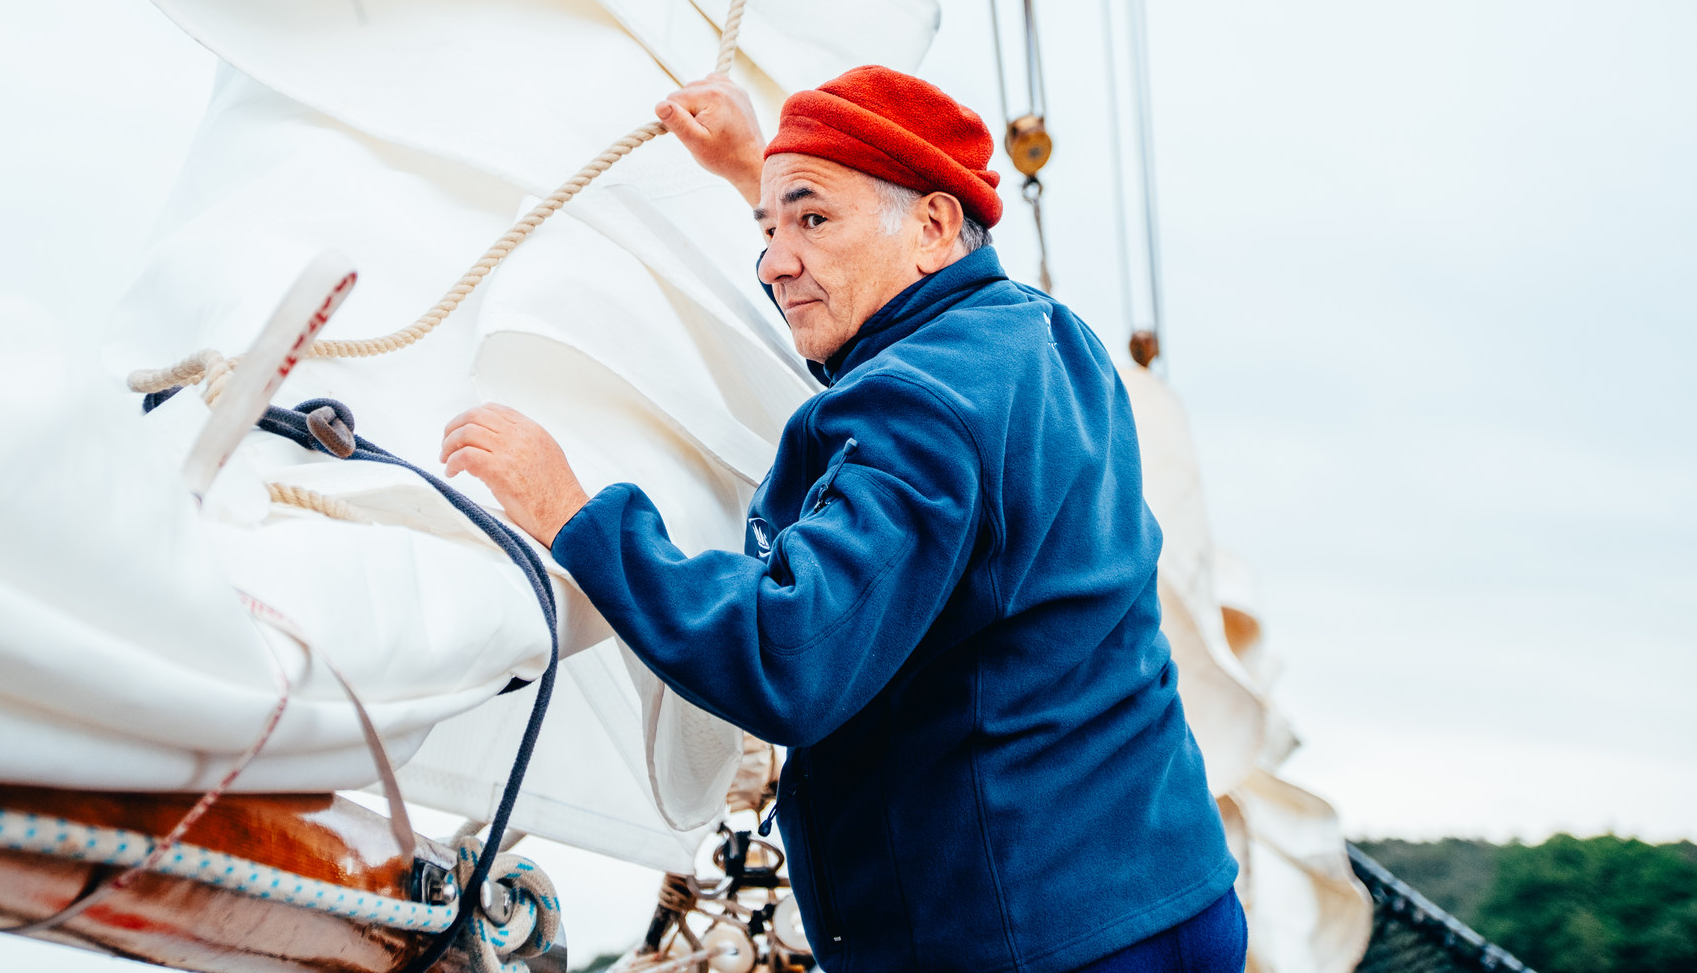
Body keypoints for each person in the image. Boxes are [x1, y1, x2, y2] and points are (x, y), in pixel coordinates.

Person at [441, 67, 1244, 972]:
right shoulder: (1041, 335)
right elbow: (891, 299)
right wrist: (769, 174)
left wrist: (572, 515)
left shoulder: (914, 406)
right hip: (1172, 899)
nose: (776, 260)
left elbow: (791, 656)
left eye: (811, 220)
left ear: (935, 227)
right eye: (768, 228)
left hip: (1023, 942)